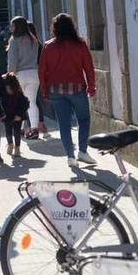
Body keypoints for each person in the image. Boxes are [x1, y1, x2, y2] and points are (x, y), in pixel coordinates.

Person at [38, 13, 98, 168]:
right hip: (77, 88)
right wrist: (91, 86)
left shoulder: (48, 46)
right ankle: (83, 151)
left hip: (56, 90)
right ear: (72, 26)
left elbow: (42, 70)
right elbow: (89, 68)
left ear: (55, 28)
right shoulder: (80, 44)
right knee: (83, 119)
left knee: (63, 124)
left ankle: (70, 156)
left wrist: (45, 90)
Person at [6, 16, 41, 140]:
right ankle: (35, 129)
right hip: (34, 73)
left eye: (12, 25)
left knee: (18, 103)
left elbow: (13, 60)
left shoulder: (14, 40)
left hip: (19, 74)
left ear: (17, 26)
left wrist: (9, 75)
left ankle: (19, 130)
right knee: (32, 102)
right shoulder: (34, 40)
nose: (11, 28)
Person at [25, 22, 48, 139]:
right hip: (37, 75)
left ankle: (32, 126)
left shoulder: (29, 44)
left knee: (30, 101)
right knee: (35, 100)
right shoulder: (37, 44)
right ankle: (40, 125)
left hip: (30, 75)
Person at [2, 73, 29, 157]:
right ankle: (10, 144)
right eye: (7, 88)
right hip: (7, 116)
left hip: (17, 116)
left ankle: (17, 147)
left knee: (17, 132)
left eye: (10, 88)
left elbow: (25, 104)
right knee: (8, 132)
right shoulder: (3, 94)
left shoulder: (19, 95)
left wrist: (20, 115)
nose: (8, 90)